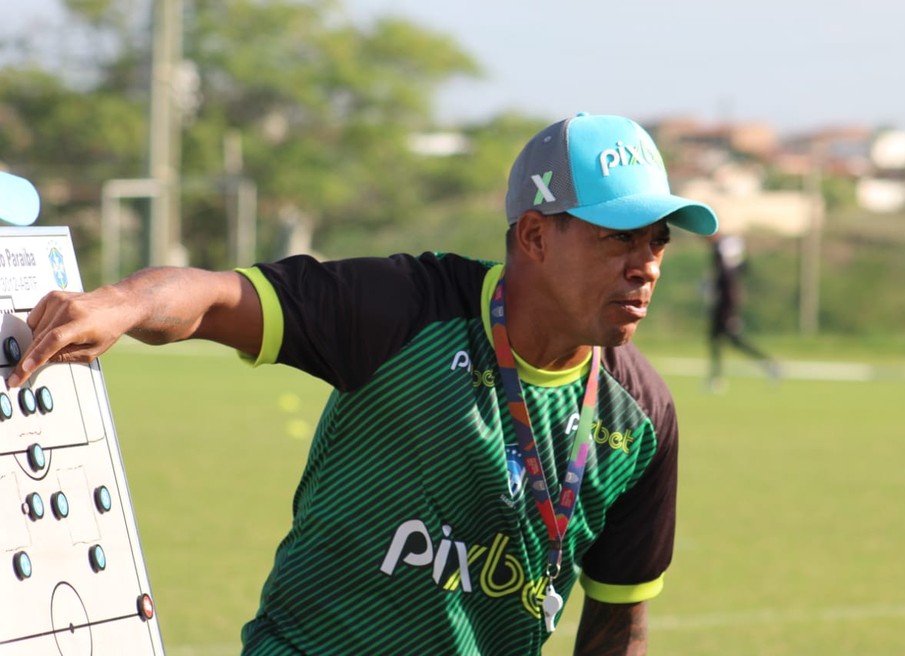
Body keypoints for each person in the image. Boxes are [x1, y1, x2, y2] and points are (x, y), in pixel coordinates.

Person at [8, 113, 717, 655]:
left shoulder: (643, 415)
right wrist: (125, 303)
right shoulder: (407, 309)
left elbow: (618, 623)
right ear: (534, 237)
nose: (646, 264)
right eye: (617, 237)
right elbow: (214, 297)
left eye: (657, 240)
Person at [706, 232, 779, 391]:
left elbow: (731, 289)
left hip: (727, 309)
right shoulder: (726, 269)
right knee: (716, 340)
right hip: (722, 307)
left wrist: (731, 314)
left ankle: (769, 364)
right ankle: (716, 377)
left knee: (735, 341)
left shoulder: (727, 272)